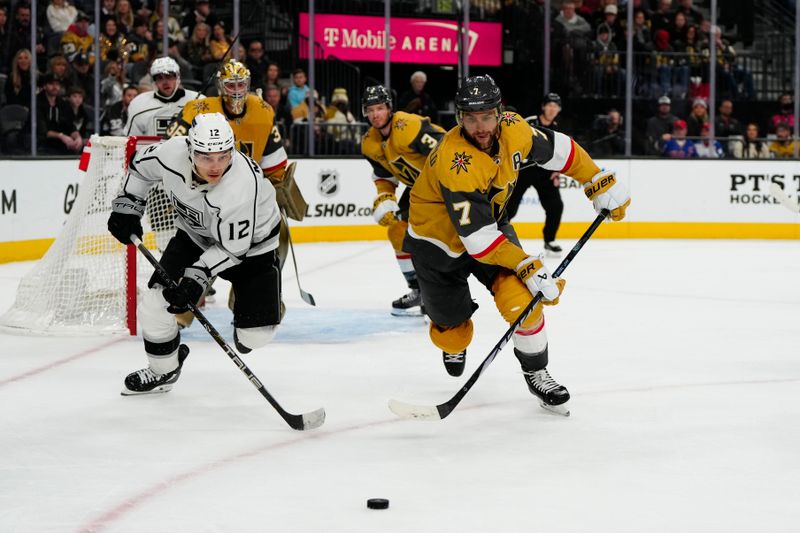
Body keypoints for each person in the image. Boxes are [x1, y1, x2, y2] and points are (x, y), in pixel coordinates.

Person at [404, 75, 630, 415]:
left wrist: (595, 178)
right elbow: (477, 240)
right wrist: (528, 264)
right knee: (453, 335)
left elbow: (560, 150)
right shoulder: (456, 161)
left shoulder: (514, 129)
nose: (479, 127)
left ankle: (536, 371)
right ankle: (454, 333)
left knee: (524, 302)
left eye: (486, 116)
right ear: (459, 119)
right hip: (437, 245)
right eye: (470, 118)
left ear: (499, 112)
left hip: (490, 230)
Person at [107, 113, 283, 395]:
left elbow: (233, 249)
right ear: (189, 150)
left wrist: (196, 278)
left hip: (253, 251)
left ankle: (259, 306)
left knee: (255, 337)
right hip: (194, 237)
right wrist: (128, 203)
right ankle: (163, 370)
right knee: (154, 304)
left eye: (223, 156)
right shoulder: (171, 152)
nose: (215, 166)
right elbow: (140, 167)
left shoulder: (241, 186)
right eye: (205, 157)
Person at [169, 59, 296, 327]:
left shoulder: (263, 112)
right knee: (200, 245)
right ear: (220, 87)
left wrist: (279, 190)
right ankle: (182, 307)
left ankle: (251, 300)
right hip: (205, 198)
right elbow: (173, 150)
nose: (237, 90)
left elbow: (274, 166)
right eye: (231, 84)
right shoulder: (198, 109)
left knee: (274, 241)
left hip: (246, 203)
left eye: (241, 84)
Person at [361, 85, 446, 316]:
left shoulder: (408, 126)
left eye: (379, 108)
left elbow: (446, 149)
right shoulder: (369, 143)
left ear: (389, 108)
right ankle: (419, 291)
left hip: (447, 187)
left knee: (441, 243)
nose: (375, 114)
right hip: (419, 190)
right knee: (397, 232)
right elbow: (384, 175)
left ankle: (443, 294)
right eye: (370, 110)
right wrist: (385, 195)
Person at [504, 93, 565, 255]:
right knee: (510, 206)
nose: (552, 109)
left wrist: (557, 170)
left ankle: (549, 240)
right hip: (523, 171)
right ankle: (499, 236)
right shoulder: (529, 121)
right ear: (543, 107)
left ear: (559, 109)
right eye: (550, 105)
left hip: (545, 173)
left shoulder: (558, 128)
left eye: (556, 106)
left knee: (556, 206)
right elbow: (514, 139)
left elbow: (561, 152)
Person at [125, 56, 200, 138]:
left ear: (177, 77)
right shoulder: (138, 104)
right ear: (154, 81)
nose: (165, 82)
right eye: (159, 78)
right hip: (151, 150)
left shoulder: (199, 102)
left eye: (169, 76)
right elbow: (131, 141)